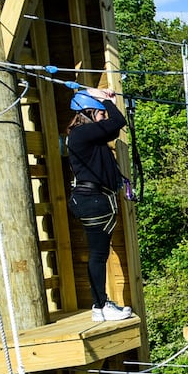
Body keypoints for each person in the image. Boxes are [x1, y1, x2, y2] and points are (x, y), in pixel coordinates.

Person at [66, 87, 135, 322]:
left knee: (99, 254)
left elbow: (112, 128)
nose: (105, 117)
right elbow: (118, 121)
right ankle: (100, 305)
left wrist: (96, 96)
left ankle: (101, 303)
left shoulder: (87, 136)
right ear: (90, 112)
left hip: (94, 200)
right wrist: (107, 100)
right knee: (97, 255)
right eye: (100, 114)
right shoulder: (81, 134)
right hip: (93, 201)